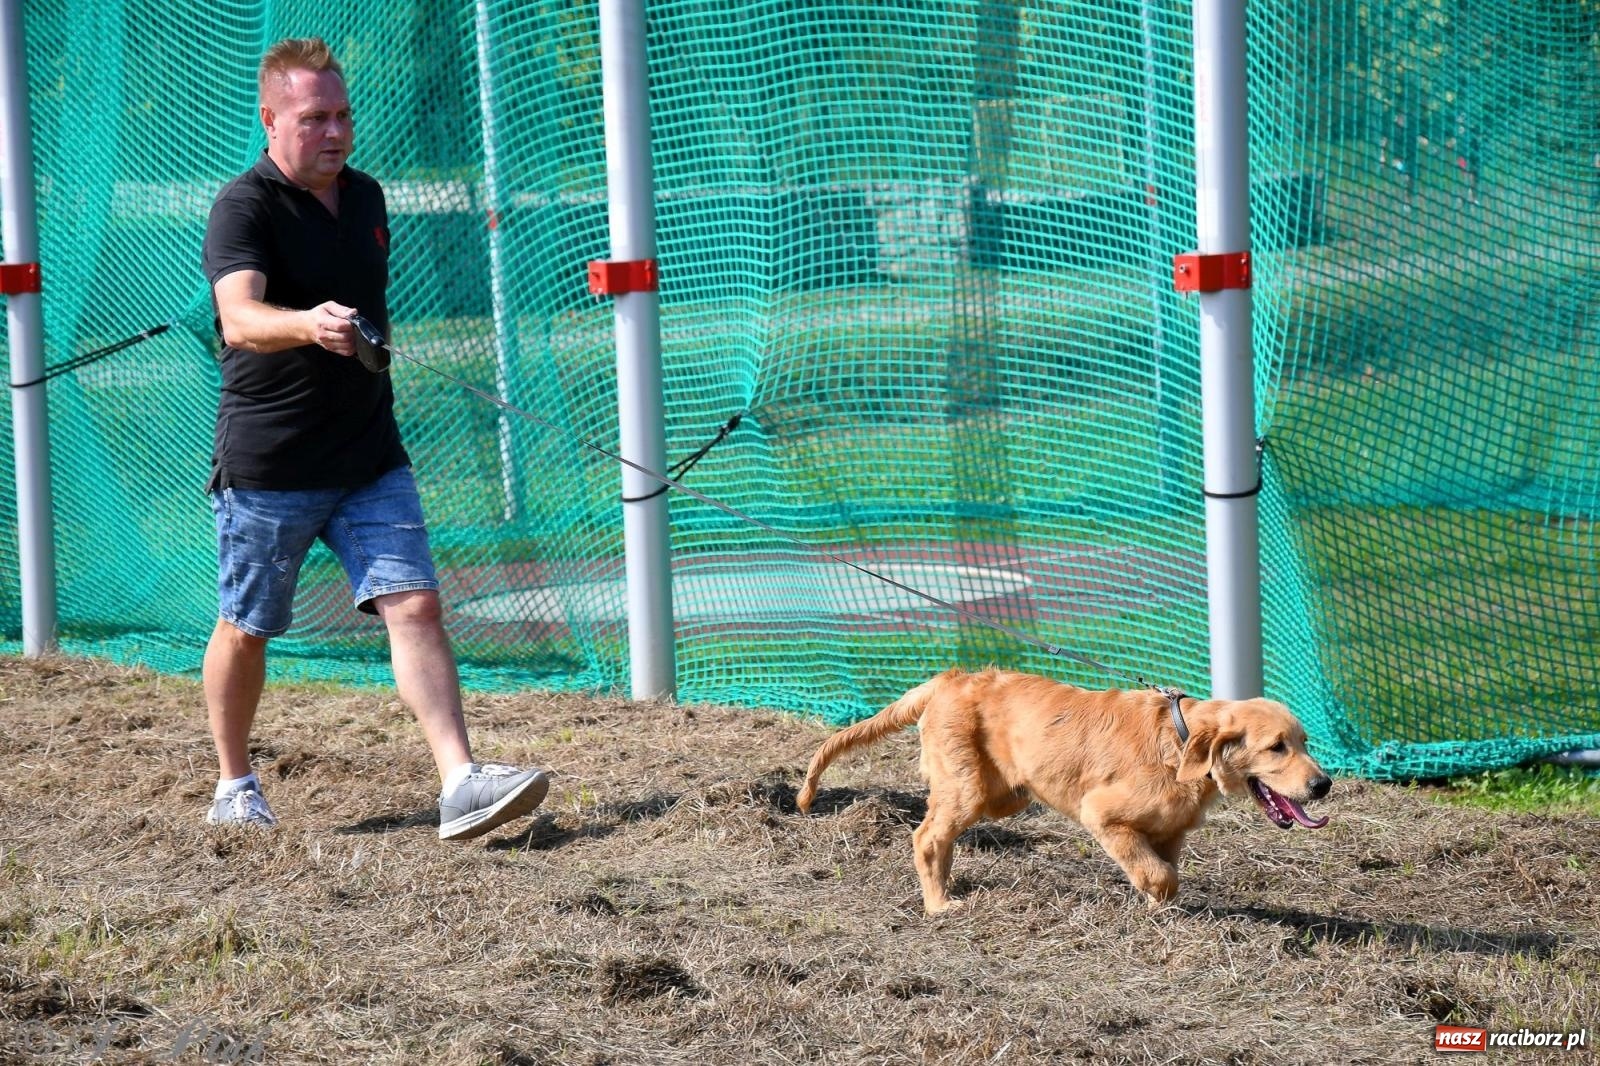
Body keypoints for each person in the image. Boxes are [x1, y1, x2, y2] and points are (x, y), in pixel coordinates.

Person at [199, 36, 548, 840]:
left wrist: (363, 341)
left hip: (368, 454)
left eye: (342, 116)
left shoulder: (366, 198)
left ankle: (460, 781)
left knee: (415, 602)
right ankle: (234, 783)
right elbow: (239, 320)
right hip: (271, 464)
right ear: (271, 121)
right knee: (247, 627)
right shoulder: (243, 206)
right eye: (314, 118)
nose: (334, 132)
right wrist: (306, 324)